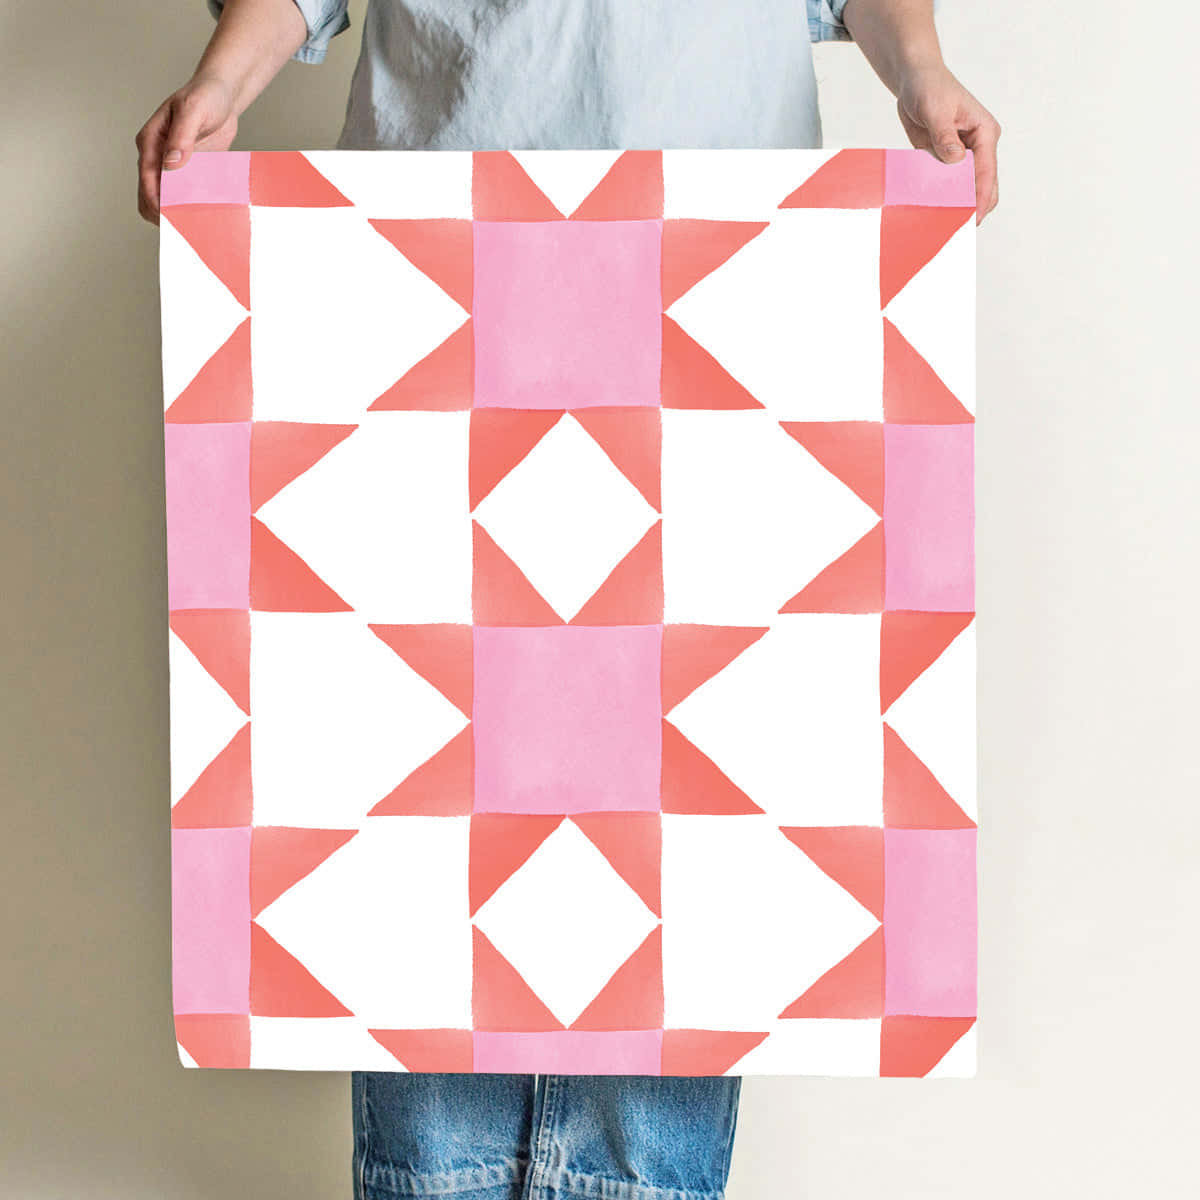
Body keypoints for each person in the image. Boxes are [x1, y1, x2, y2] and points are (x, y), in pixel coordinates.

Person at [138, 4, 999, 1199]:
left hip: (730, 302)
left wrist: (923, 73)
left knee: (699, 810)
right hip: (418, 300)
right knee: (413, 797)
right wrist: (225, 79)